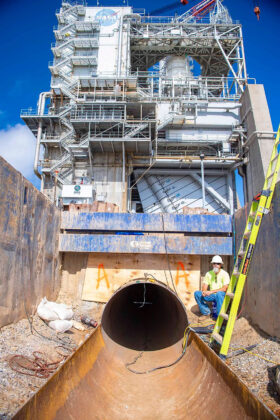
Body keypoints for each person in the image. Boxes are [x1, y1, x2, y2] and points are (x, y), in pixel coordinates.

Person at [194, 255, 230, 322]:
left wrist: (211, 291)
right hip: (212, 295)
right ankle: (206, 313)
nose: (216, 265)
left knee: (219, 294)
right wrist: (204, 292)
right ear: (212, 264)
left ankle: (220, 318)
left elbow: (225, 288)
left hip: (221, 295)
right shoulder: (209, 274)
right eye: (214, 263)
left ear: (221, 265)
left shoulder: (225, 274)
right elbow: (205, 286)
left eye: (218, 264)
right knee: (197, 293)